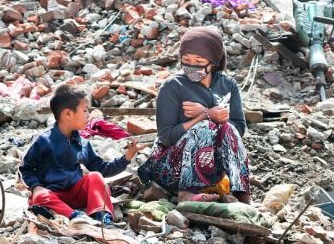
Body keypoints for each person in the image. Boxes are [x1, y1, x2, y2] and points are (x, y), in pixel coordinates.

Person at [138, 26, 251, 204]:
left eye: (199, 62)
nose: (191, 67)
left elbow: (239, 130)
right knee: (204, 127)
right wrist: (205, 115)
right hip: (169, 168)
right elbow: (166, 137)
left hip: (211, 170)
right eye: (186, 60)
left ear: (213, 62)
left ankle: (242, 194)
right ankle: (187, 193)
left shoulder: (228, 85)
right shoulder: (173, 86)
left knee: (228, 128)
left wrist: (220, 119)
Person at [19, 84, 144, 225]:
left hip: (75, 195)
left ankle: (102, 216)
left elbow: (102, 169)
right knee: (40, 196)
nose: (89, 116)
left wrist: (127, 156)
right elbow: (26, 169)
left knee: (94, 177)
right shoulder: (43, 140)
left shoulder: (83, 142)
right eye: (85, 111)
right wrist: (35, 187)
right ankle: (75, 216)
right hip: (52, 195)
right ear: (68, 114)